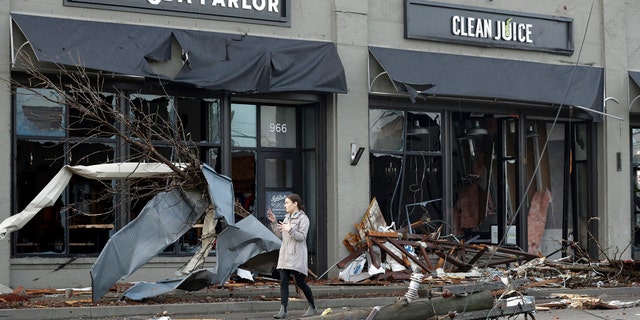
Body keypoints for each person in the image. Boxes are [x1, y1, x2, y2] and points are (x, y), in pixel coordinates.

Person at [267, 193, 316, 319]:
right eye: (285, 203)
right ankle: (283, 310)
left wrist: (290, 229)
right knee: (283, 281)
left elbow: (302, 237)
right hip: (284, 255)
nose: (285, 205)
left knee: (300, 282)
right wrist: (273, 222)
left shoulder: (303, 219)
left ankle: (313, 307)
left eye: (287, 203)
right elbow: (280, 235)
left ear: (295, 204)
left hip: (297, 256)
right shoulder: (287, 217)